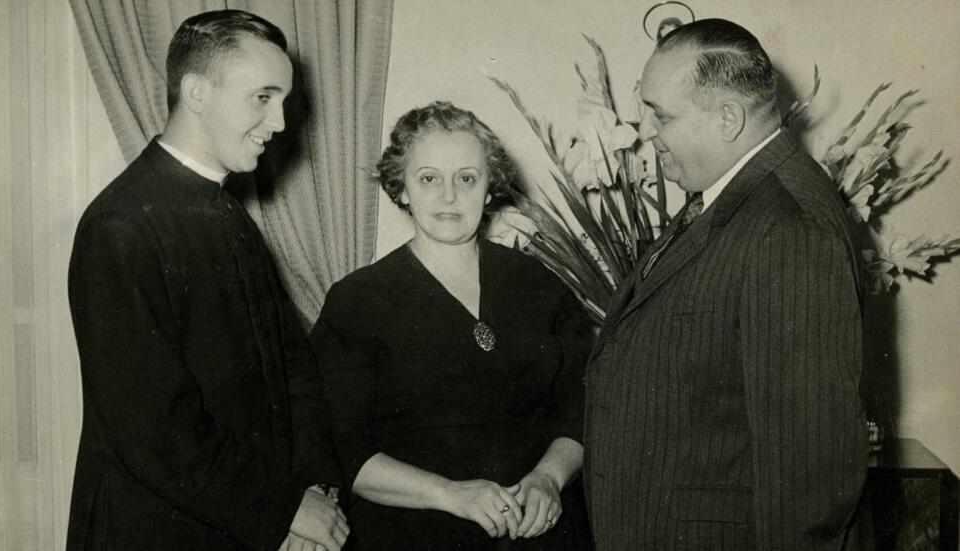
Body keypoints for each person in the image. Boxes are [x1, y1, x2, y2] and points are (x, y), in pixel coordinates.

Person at [66, 10, 348, 551]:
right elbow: (153, 428)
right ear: (196, 92)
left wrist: (314, 488)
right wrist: (287, 509)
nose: (281, 123)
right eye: (262, 97)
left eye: (283, 100)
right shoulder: (119, 227)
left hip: (248, 522)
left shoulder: (227, 214)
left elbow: (293, 372)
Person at [583, 19, 869, 550]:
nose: (646, 130)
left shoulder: (788, 223)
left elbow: (810, 472)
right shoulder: (729, 197)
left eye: (660, 115)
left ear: (728, 119)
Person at [310, 101, 594, 550]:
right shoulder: (358, 302)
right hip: (413, 537)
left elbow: (582, 409)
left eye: (466, 178)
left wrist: (548, 479)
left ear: (489, 188)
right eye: (428, 179)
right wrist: (450, 494)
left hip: (538, 534)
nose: (449, 196)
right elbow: (343, 449)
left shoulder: (537, 284)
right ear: (401, 188)